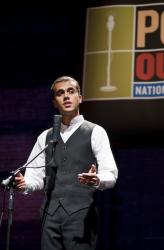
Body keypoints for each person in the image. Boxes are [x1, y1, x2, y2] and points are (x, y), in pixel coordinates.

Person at [14, 76, 118, 250]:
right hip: (50, 217)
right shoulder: (45, 137)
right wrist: (25, 184)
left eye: (71, 92)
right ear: (55, 102)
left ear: (80, 97)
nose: (66, 97)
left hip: (81, 216)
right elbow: (35, 177)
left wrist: (97, 179)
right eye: (60, 93)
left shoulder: (95, 132)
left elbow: (111, 173)